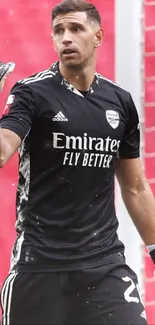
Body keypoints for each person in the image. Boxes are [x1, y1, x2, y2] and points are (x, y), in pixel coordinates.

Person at [0, 0, 155, 324]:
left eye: (75, 29)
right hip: (39, 267)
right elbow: (2, 152)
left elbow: (136, 188)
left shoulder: (120, 101)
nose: (66, 38)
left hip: (104, 266)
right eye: (58, 31)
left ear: (97, 36)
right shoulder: (32, 93)